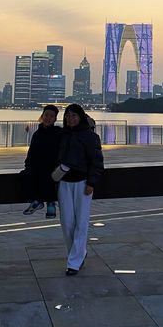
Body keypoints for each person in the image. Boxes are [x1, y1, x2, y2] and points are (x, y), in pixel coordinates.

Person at [55, 103, 104, 276]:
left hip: (83, 183)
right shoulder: (62, 135)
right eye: (68, 115)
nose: (70, 118)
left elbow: (97, 161)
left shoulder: (90, 136)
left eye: (74, 115)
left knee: (81, 222)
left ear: (81, 117)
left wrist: (92, 182)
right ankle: (76, 255)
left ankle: (74, 262)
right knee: (67, 223)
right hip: (64, 183)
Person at [22, 104, 62, 219]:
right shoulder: (37, 134)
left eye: (51, 116)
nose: (48, 118)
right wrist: (28, 165)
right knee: (26, 175)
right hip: (37, 165)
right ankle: (41, 201)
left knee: (47, 175)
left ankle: (47, 202)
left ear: (55, 119)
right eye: (46, 115)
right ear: (42, 116)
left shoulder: (59, 132)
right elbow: (31, 152)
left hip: (53, 165)